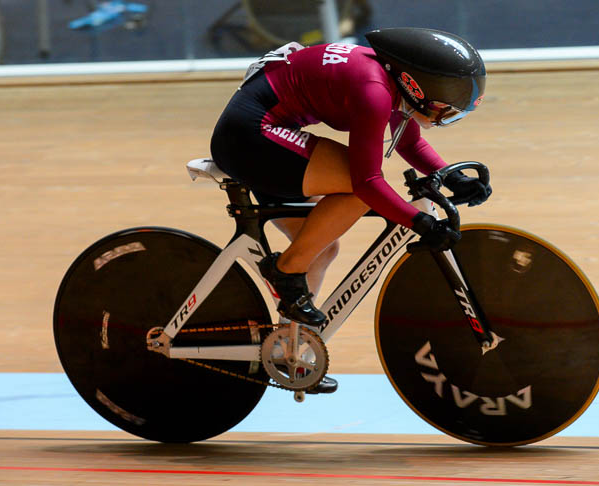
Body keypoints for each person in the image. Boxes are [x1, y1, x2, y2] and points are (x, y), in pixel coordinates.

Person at [210, 28, 491, 392]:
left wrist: (447, 176)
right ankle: (284, 271)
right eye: (444, 108)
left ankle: (289, 353)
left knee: (320, 248)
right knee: (357, 190)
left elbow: (407, 140)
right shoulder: (373, 91)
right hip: (252, 136)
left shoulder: (388, 80)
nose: (443, 117)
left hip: (264, 132)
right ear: (415, 86)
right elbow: (368, 183)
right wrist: (420, 221)